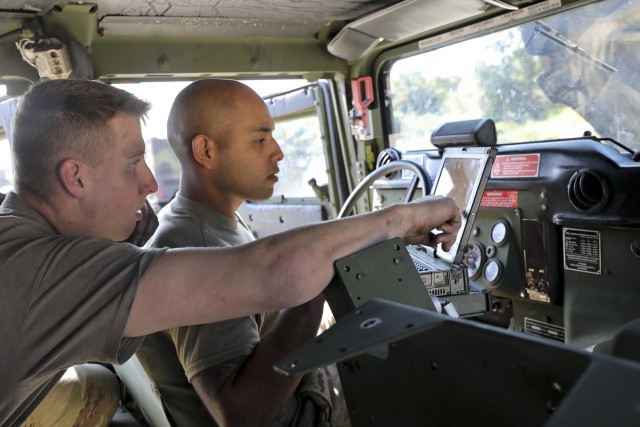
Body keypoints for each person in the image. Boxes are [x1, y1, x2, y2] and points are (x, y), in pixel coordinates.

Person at [0, 78, 461, 426]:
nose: (150, 183)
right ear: (75, 178)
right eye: (132, 163)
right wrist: (398, 220)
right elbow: (264, 279)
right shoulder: (42, 271)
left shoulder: (25, 244)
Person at [135, 79, 347, 426]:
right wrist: (316, 277)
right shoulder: (197, 245)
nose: (277, 152)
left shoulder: (205, 220)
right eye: (259, 139)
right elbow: (241, 414)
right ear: (205, 151)